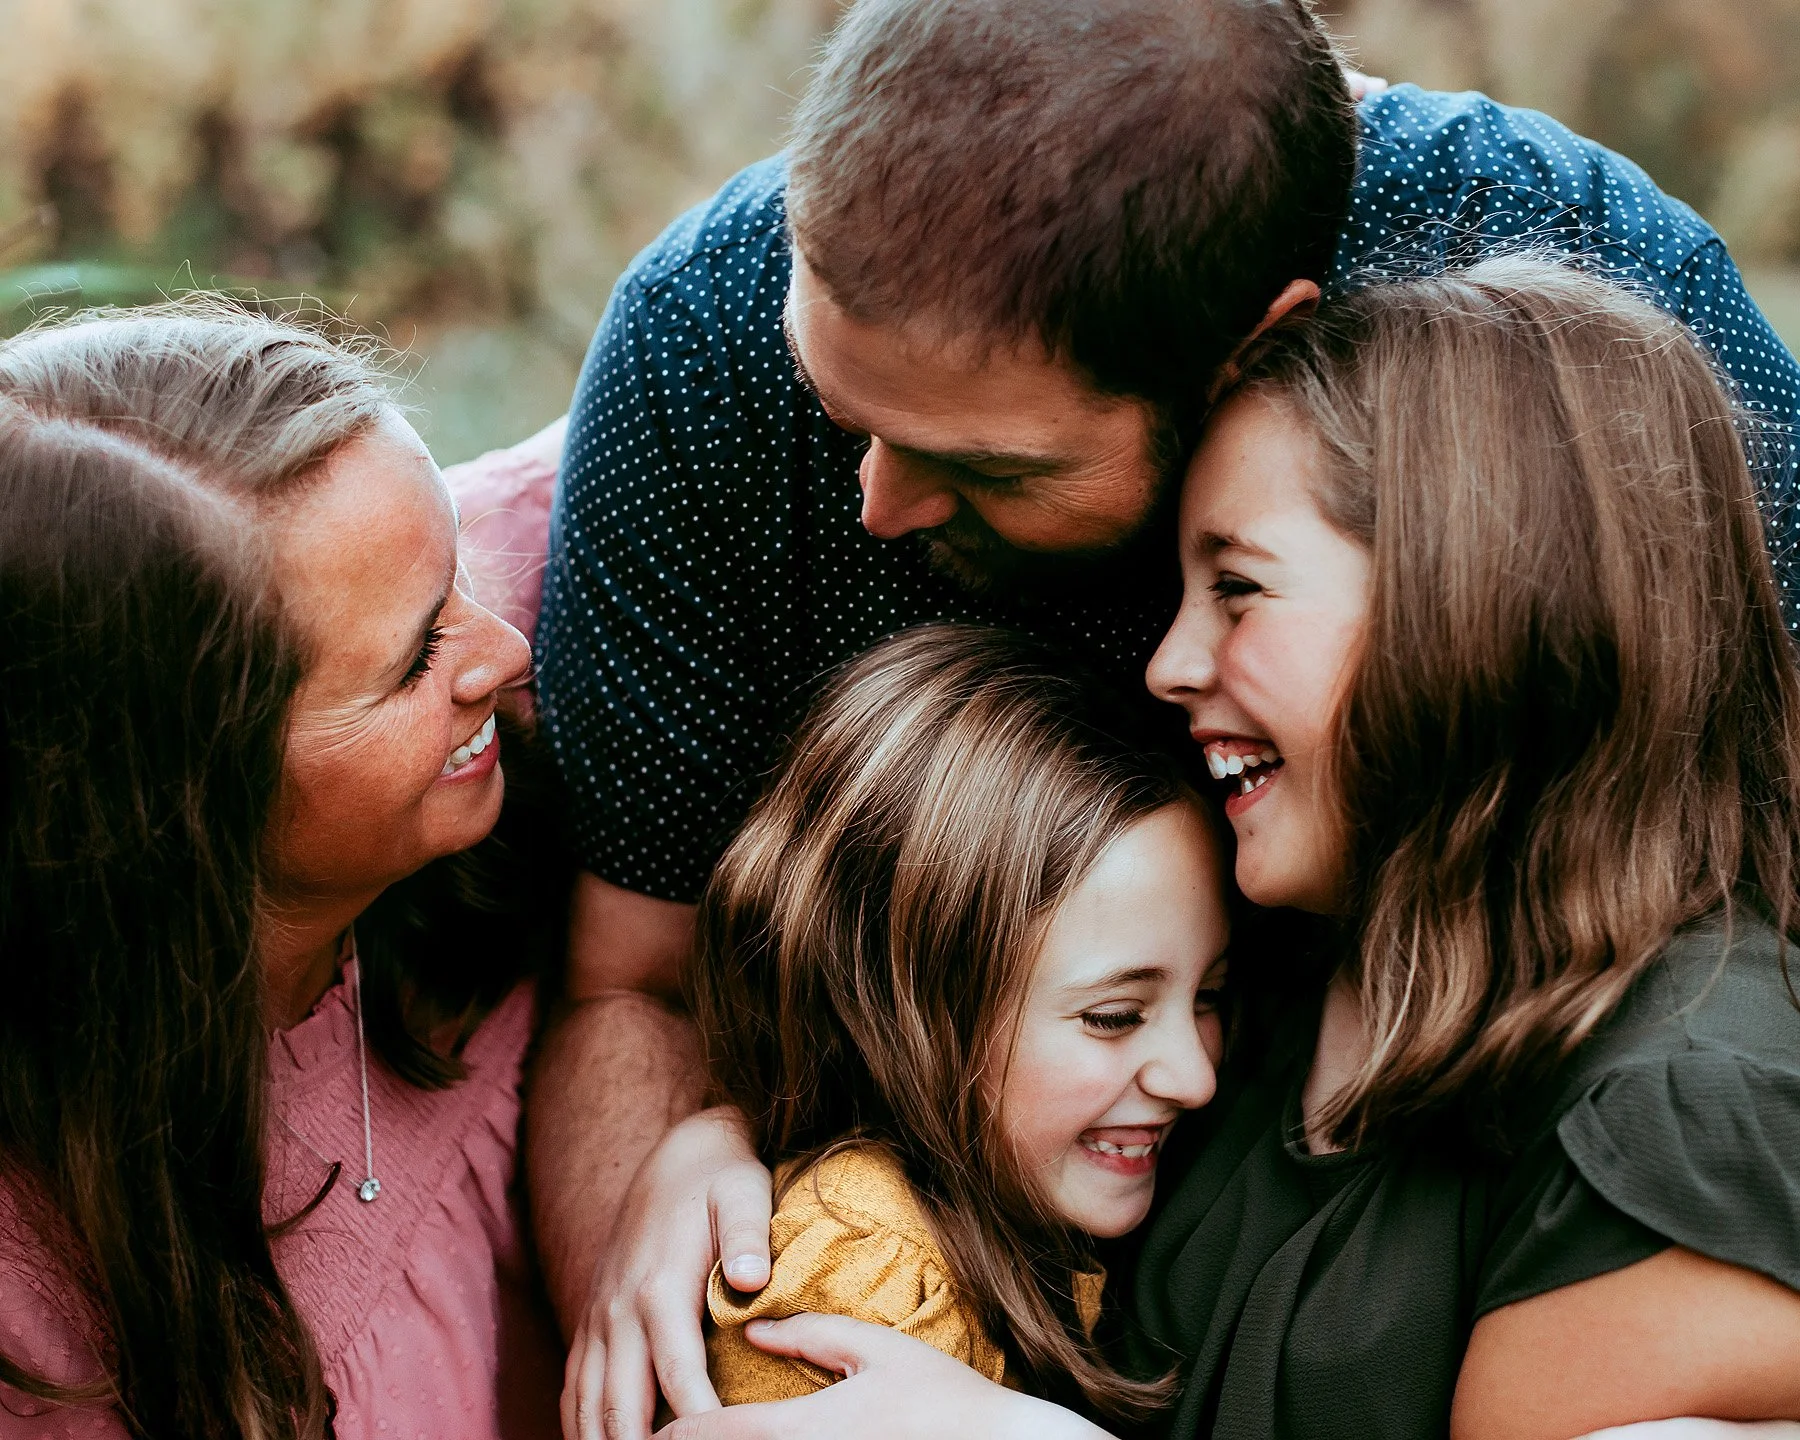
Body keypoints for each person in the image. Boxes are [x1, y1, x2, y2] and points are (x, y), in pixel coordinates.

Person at [519, 3, 1800, 1421]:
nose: (874, 504)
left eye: (988, 467)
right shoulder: (713, 344)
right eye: (846, 419)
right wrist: (705, 1216)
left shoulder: (1595, 337)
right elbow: (636, 980)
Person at [0, 304, 565, 1439]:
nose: (506, 650)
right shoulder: (32, 1307)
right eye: (416, 661)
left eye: (461, 571)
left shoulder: (399, 554)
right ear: (178, 805)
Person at [688, 624, 1228, 1420]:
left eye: (1211, 996)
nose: (1196, 1076)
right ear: (902, 1006)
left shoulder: (1022, 1212)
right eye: (1115, 1016)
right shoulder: (864, 1279)